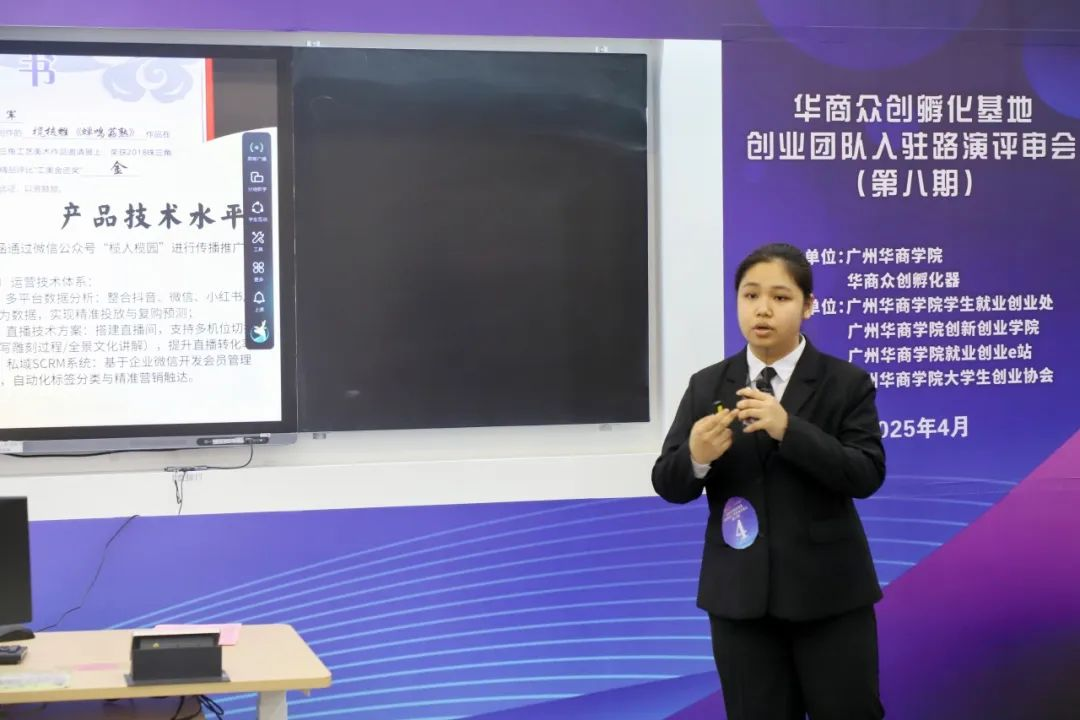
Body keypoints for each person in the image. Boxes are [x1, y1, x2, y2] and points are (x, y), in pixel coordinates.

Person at [652, 243, 886, 719]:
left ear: (808, 305)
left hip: (829, 595)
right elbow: (669, 483)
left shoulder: (846, 382)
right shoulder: (707, 385)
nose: (762, 309)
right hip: (740, 600)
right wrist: (696, 458)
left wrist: (789, 430)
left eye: (780, 297)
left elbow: (866, 473)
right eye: (750, 295)